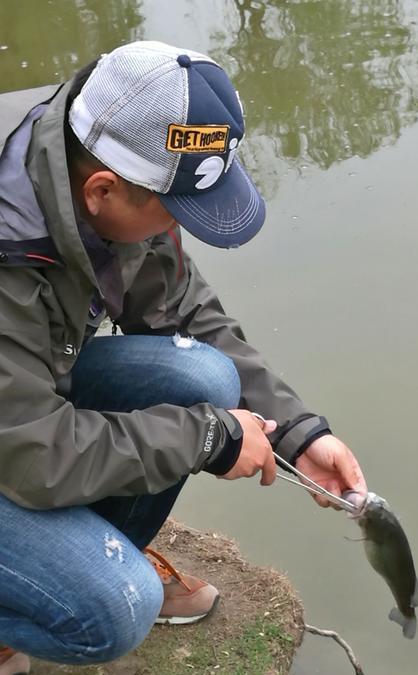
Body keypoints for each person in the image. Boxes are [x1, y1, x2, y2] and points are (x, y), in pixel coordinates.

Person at [0, 40, 367, 674]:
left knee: (202, 374)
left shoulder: (90, 147)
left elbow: (181, 312)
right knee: (114, 610)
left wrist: (298, 433)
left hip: (19, 403)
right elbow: (35, 454)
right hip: (20, 435)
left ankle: (86, 549)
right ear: (101, 191)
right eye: (173, 211)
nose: (182, 230)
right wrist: (206, 439)